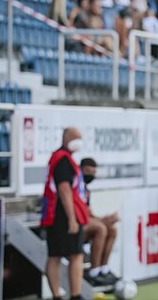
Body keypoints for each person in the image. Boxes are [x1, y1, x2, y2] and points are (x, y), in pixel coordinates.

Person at [40, 127, 89, 300]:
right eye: (77, 137)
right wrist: (72, 220)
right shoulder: (63, 160)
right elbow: (64, 190)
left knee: (55, 255)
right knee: (74, 255)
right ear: (67, 138)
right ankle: (74, 295)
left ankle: (57, 295)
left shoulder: (59, 158)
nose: (80, 141)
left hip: (55, 215)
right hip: (62, 215)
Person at [80, 158, 119, 286]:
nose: (90, 175)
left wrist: (106, 219)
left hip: (84, 222)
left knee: (112, 229)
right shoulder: (75, 186)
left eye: (93, 172)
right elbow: (81, 213)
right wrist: (104, 220)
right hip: (74, 225)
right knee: (101, 228)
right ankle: (94, 272)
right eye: (87, 171)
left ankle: (103, 268)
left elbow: (89, 213)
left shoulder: (86, 189)